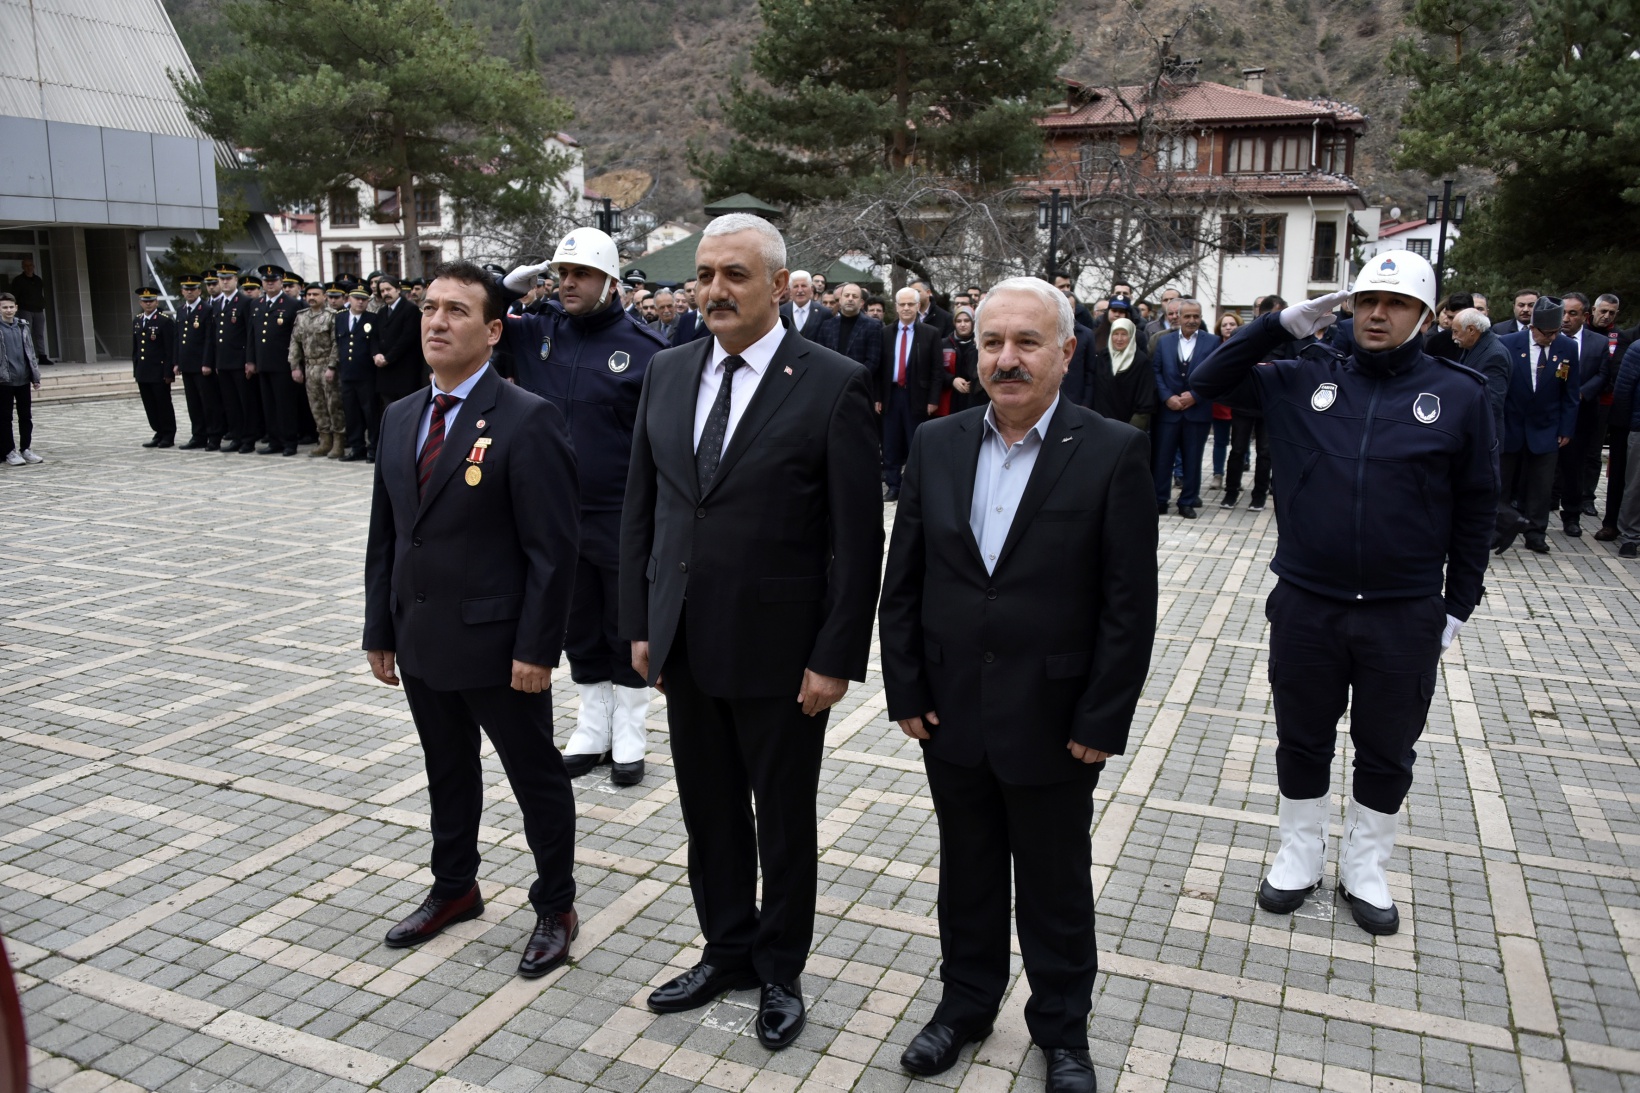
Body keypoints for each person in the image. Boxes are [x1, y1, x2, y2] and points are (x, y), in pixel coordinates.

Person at [878, 276, 1156, 1093]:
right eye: (993, 342)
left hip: (1055, 717)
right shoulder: (937, 444)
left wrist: (1102, 717)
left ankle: (1062, 1028)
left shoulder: (1111, 450)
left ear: (1067, 353)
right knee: (965, 871)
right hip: (951, 710)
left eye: (1027, 342)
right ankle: (964, 1005)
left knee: (1054, 883)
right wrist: (905, 689)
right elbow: (907, 579)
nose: (1006, 358)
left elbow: (1127, 605)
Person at [619, 213, 881, 1050]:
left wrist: (835, 653)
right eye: (704, 274)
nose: (714, 290)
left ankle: (779, 967)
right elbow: (643, 510)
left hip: (782, 652)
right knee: (708, 811)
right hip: (685, 640)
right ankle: (725, 947)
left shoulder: (832, 381)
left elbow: (855, 539)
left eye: (734, 275)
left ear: (777, 285)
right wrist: (640, 621)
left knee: (782, 817)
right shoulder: (666, 372)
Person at [1190, 249, 1496, 936]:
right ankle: (1300, 850)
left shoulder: (1459, 394)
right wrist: (1277, 328)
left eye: (1394, 304)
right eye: (1366, 301)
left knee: (1387, 745)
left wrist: (1458, 604)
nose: (1376, 314)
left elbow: (1478, 505)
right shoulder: (1305, 378)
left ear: (1422, 315)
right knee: (1303, 738)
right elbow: (1204, 378)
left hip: (1403, 611)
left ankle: (1367, 862)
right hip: (1308, 601)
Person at [363, 259, 583, 978]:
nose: (436, 321)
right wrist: (380, 627)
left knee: (535, 777)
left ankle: (556, 903)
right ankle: (454, 885)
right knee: (446, 771)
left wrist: (537, 647)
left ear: (492, 331)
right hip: (423, 637)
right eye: (430, 307)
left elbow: (552, 549)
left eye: (457, 310)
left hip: (500, 646)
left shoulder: (527, 417)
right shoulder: (401, 416)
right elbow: (388, 534)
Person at [499, 228, 670, 785]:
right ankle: (592, 729)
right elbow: (480, 326)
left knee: (625, 624)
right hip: (553, 512)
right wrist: (507, 290)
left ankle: (630, 734)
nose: (568, 284)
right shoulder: (538, 332)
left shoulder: (648, 350)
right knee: (576, 624)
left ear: (610, 282)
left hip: (619, 513)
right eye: (562, 274)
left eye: (582, 275)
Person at [1495, 297, 1579, 554]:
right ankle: (1496, 529)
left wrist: (1566, 429)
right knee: (1502, 482)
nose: (1552, 338)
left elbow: (1571, 392)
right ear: (1533, 328)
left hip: (1546, 426)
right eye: (1548, 333)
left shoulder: (1566, 347)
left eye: (1556, 333)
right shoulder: (1507, 344)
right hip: (1511, 425)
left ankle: (1535, 532)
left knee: (1541, 487)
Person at [1150, 299, 1219, 518]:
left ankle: (1187, 501)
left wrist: (1196, 396)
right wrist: (1167, 397)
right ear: (1177, 317)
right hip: (1168, 411)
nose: (1191, 320)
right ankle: (1160, 499)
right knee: (1163, 458)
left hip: (1196, 412)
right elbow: (1156, 372)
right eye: (1187, 316)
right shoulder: (1164, 342)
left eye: (1195, 316)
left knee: (1193, 459)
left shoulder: (1213, 342)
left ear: (1201, 318)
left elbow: (1216, 375)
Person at [879, 287, 944, 502]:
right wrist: (877, 397)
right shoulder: (885, 333)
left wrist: (933, 399)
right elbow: (879, 368)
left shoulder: (930, 334)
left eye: (910, 304)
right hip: (891, 395)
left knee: (916, 442)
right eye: (902, 304)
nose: (906, 308)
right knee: (890, 443)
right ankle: (893, 486)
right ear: (896, 307)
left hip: (917, 396)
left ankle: (914, 487)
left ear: (918, 306)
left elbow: (937, 370)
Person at [1557, 293, 1610, 536]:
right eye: (1563, 313)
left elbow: (1603, 374)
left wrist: (1581, 393)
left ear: (1585, 317)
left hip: (1581, 414)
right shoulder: (1549, 337)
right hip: (1548, 412)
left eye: (1573, 313)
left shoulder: (1598, 343)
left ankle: (1571, 516)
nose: (1566, 318)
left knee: (1573, 467)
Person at [1590, 294, 1638, 541]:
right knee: (1620, 476)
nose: (1607, 316)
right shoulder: (1629, 339)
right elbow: (1622, 382)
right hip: (1627, 421)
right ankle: (1612, 523)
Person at [251, 264, 302, 456]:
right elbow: (252, 335)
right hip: (263, 363)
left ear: (281, 282)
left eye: (273, 281)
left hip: (283, 363)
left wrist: (296, 364)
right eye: (266, 281)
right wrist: (251, 360)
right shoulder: (256, 304)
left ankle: (289, 441)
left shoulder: (292, 304)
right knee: (269, 405)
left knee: (285, 405)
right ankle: (274, 441)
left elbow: (296, 337)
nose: (269, 284)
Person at [291, 282, 345, 458]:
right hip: (309, 366)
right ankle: (324, 440)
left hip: (327, 366)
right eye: (309, 295)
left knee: (333, 405)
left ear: (324, 297)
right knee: (316, 405)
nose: (312, 297)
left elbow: (337, 343)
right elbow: (295, 342)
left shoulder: (332, 316)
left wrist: (332, 366)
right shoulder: (301, 317)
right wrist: (295, 366)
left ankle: (338, 442)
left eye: (316, 294)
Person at [213, 267, 258, 454]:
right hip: (223, 361)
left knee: (245, 402)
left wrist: (250, 360)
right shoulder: (217, 303)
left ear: (236, 280)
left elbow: (250, 333)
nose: (225, 282)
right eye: (221, 279)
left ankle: (248, 439)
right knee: (230, 402)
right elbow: (215, 334)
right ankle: (236, 436)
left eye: (228, 279)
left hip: (240, 360)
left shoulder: (245, 302)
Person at [173, 272, 219, 450]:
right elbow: (178, 338)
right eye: (186, 289)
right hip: (187, 365)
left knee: (208, 403)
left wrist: (207, 363)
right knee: (193, 403)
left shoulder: (207, 310)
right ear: (182, 291)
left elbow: (209, 338)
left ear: (199, 291)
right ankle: (198, 435)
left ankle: (214, 436)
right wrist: (176, 362)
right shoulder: (181, 310)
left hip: (202, 365)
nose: (189, 292)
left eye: (193, 289)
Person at [371, 277, 427, 422]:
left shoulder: (410, 309)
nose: (385, 293)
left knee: (407, 414)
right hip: (384, 372)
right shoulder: (382, 312)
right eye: (382, 291)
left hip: (404, 371)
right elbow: (375, 337)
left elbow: (407, 338)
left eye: (388, 289)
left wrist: (388, 358)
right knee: (389, 413)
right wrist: (376, 354)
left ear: (398, 289)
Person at [1450, 308, 1510, 442]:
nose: (1453, 337)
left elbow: (1493, 403)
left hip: (1482, 435)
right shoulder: (1474, 347)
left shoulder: (1495, 355)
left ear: (1471, 330)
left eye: (1455, 332)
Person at [131, 286, 178, 448]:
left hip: (159, 372)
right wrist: (136, 369)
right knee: (150, 405)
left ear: (157, 302)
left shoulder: (164, 321)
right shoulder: (137, 320)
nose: (148, 304)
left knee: (163, 403)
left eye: (151, 301)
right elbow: (135, 349)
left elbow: (169, 349)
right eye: (145, 301)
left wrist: (168, 372)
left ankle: (168, 434)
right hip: (143, 371)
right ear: (140, 302)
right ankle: (158, 431)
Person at [1088, 315, 1152, 431]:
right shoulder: (1103, 357)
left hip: (1127, 427)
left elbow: (1145, 400)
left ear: (1131, 335)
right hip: (1100, 424)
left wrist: (1132, 429)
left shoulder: (1141, 361)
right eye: (1115, 334)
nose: (1119, 339)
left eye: (1124, 334)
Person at [0, 293, 43, 465]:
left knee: (26, 416)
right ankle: (9, 451)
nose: (8, 310)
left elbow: (30, 352)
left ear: (16, 307)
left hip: (23, 379)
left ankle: (26, 449)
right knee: (4, 418)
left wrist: (35, 376)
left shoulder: (22, 326)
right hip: (4, 380)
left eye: (11, 307)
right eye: (4, 307)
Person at [336, 284, 378, 461]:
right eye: (357, 298)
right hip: (347, 373)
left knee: (370, 413)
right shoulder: (340, 318)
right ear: (349, 299)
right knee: (351, 413)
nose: (360, 302)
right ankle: (356, 447)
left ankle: (373, 449)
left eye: (364, 299)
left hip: (366, 374)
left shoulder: (373, 319)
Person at [814, 283, 884, 377]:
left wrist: (854, 379)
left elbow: (873, 361)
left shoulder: (873, 326)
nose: (850, 299)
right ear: (840, 300)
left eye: (855, 296)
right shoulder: (827, 326)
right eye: (846, 295)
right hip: (831, 381)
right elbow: (820, 356)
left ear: (861, 303)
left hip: (858, 384)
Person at [1610, 339, 1640, 557]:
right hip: (1638, 427)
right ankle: (1630, 536)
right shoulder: (1637, 349)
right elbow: (1623, 391)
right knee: (1635, 486)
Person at [942, 305, 986, 414]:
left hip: (974, 400)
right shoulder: (943, 344)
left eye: (966, 321)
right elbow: (935, 369)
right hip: (949, 398)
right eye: (958, 321)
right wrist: (952, 380)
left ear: (973, 322)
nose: (962, 325)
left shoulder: (980, 344)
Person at [11, 257, 51, 367]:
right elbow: (14, 295)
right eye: (26, 266)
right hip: (25, 309)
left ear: (34, 267)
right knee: (25, 333)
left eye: (31, 265)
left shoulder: (38, 280)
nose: (29, 268)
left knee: (39, 334)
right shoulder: (18, 280)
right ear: (23, 267)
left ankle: (42, 356)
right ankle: (26, 357)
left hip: (38, 310)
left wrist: (42, 304)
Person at [779, 270, 831, 339]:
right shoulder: (780, 312)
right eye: (796, 286)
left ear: (811, 289)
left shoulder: (824, 313)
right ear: (790, 290)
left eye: (803, 286)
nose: (800, 290)